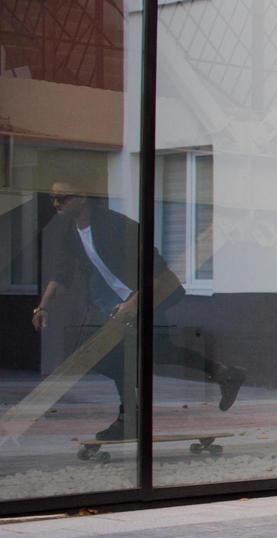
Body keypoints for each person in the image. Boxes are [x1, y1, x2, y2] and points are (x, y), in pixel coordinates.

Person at [32, 181, 245, 441]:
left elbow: (155, 271)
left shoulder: (116, 225)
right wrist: (43, 306)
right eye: (53, 198)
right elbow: (62, 273)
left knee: (115, 357)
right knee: (159, 352)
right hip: (116, 304)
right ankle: (225, 374)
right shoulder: (70, 230)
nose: (56, 204)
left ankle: (129, 419)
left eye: (62, 198)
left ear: (84, 195)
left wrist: (133, 304)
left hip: (151, 297)